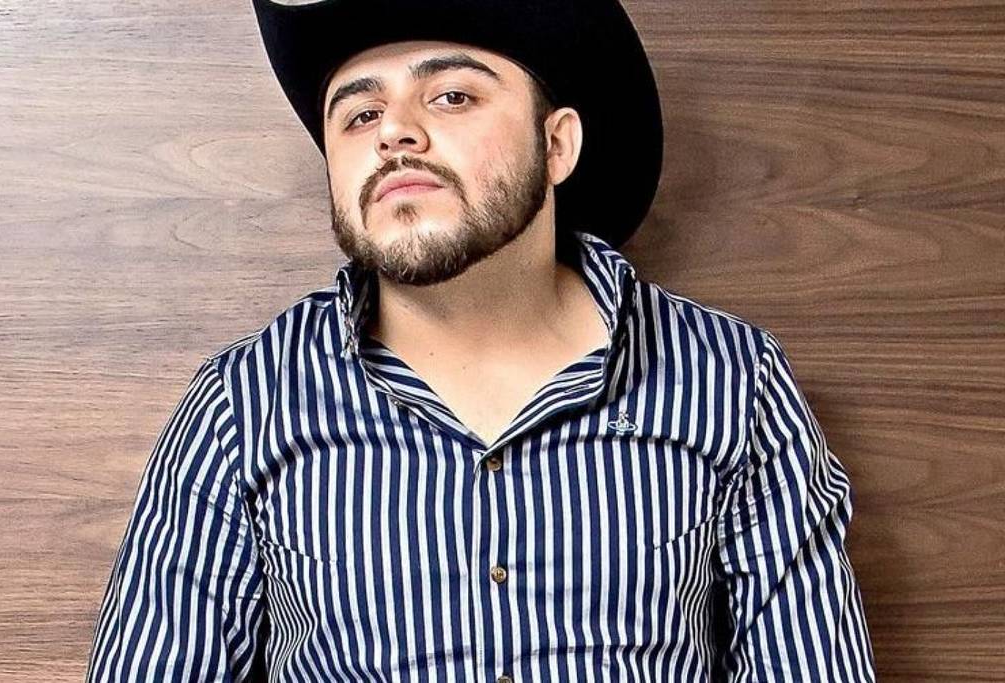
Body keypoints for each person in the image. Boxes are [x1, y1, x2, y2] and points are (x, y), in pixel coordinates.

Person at [85, 0, 876, 680]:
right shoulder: (242, 407)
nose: (396, 131)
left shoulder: (732, 384)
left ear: (557, 145)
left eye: (452, 96)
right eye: (359, 115)